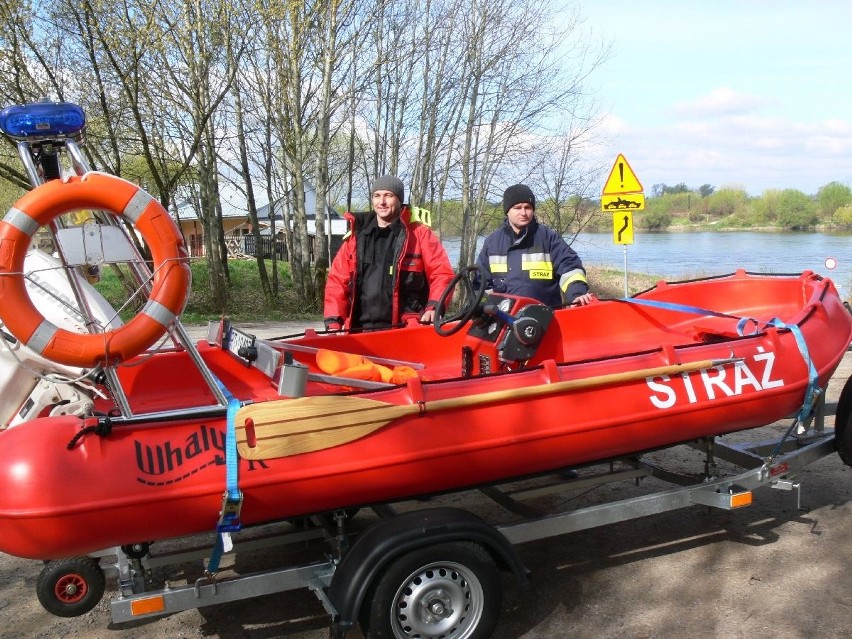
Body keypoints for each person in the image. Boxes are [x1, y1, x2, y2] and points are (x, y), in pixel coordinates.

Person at [323, 175, 455, 331]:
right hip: (358, 331)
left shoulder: (419, 235)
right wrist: (333, 321)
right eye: (377, 196)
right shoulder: (356, 236)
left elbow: (441, 273)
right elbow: (337, 282)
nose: (382, 202)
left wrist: (435, 306)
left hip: (404, 331)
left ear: (399, 200)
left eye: (388, 195)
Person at [476, 183, 595, 308]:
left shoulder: (548, 237)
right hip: (504, 321)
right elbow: (481, 284)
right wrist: (483, 308)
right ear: (507, 211)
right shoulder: (492, 242)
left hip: (547, 318)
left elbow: (570, 267)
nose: (523, 212)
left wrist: (577, 294)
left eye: (527, 207)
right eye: (517, 207)